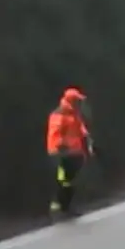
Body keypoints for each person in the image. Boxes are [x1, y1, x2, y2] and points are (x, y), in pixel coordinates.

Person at [46, 87, 92, 219]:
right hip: (59, 155)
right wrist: (61, 147)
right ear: (72, 101)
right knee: (63, 181)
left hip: (72, 154)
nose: (80, 103)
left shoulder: (74, 114)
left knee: (69, 181)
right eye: (78, 101)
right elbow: (56, 132)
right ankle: (58, 209)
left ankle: (66, 208)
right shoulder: (59, 113)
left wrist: (87, 138)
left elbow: (81, 128)